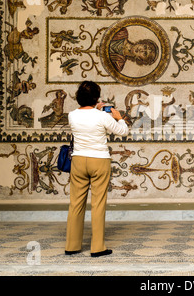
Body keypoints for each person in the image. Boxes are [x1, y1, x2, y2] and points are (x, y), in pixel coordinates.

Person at [65, 80, 129, 257]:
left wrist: (96, 109)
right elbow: (122, 131)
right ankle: (97, 247)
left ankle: (71, 245)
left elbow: (86, 120)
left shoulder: (72, 115)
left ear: (78, 98)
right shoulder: (103, 116)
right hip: (99, 160)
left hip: (78, 161)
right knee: (98, 204)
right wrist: (119, 118)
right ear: (96, 98)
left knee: (76, 203)